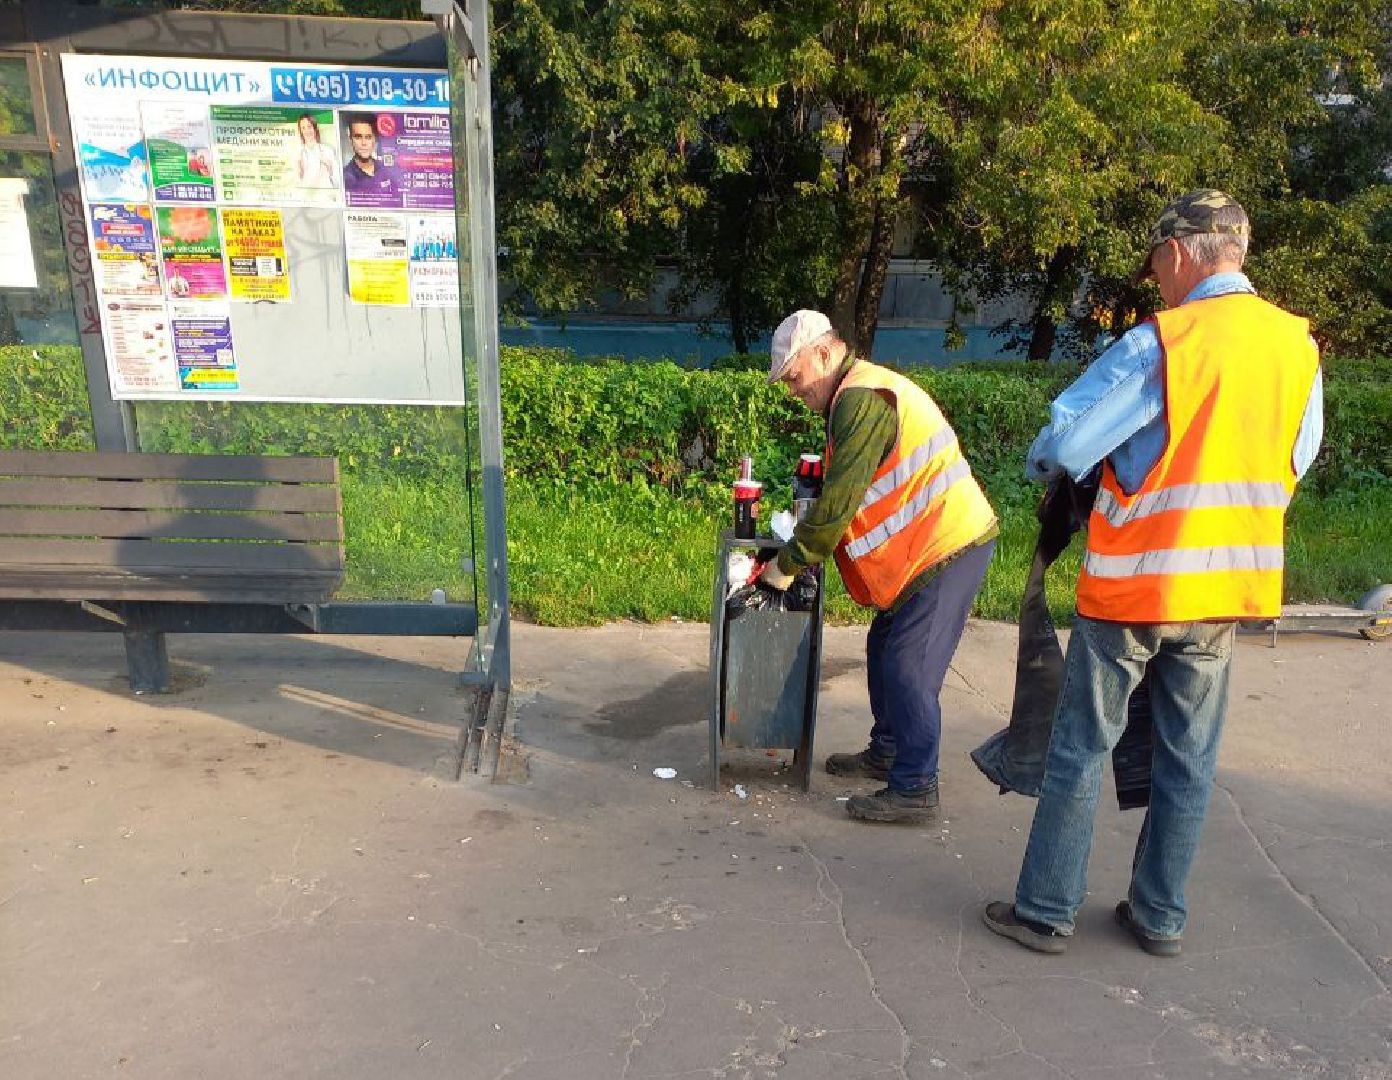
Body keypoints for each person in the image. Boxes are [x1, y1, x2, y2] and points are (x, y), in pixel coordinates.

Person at [983, 190, 1323, 957]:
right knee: (1189, 757)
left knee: (1081, 746)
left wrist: (1053, 460)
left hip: (1137, 583)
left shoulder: (1165, 342)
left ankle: (1045, 910)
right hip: (1227, 587)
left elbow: (1068, 443)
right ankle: (1158, 916)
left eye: (1156, 266)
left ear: (1176, 255)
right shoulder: (1296, 346)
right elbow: (1297, 458)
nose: (1156, 281)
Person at [760, 310, 998, 823]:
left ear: (825, 352)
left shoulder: (861, 399)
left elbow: (841, 501)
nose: (795, 393)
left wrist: (791, 562)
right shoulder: (857, 393)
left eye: (796, 378)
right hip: (923, 550)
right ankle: (889, 750)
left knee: (907, 666)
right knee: (884, 648)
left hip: (947, 543)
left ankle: (914, 787)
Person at [342, 115, 398, 200]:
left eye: (368, 137)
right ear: (351, 140)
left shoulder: (386, 169)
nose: (364, 143)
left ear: (374, 139)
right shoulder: (345, 177)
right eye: (358, 137)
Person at [295, 114, 337, 188]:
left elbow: (336, 178)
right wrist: (299, 167)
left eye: (309, 127)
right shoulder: (298, 153)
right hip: (307, 194)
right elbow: (297, 181)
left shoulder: (328, 150)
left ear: (315, 128)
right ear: (300, 131)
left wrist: (328, 165)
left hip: (325, 194)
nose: (307, 131)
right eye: (303, 128)